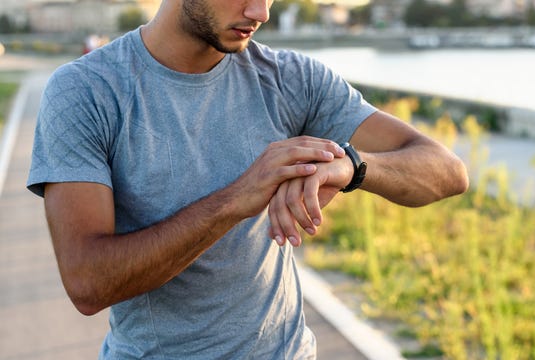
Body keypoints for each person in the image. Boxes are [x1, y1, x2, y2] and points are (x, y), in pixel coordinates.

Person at [27, 0, 468, 358]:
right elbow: (88, 283)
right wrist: (238, 197)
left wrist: (352, 166)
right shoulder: (85, 91)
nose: (262, 12)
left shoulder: (291, 78)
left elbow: (447, 172)